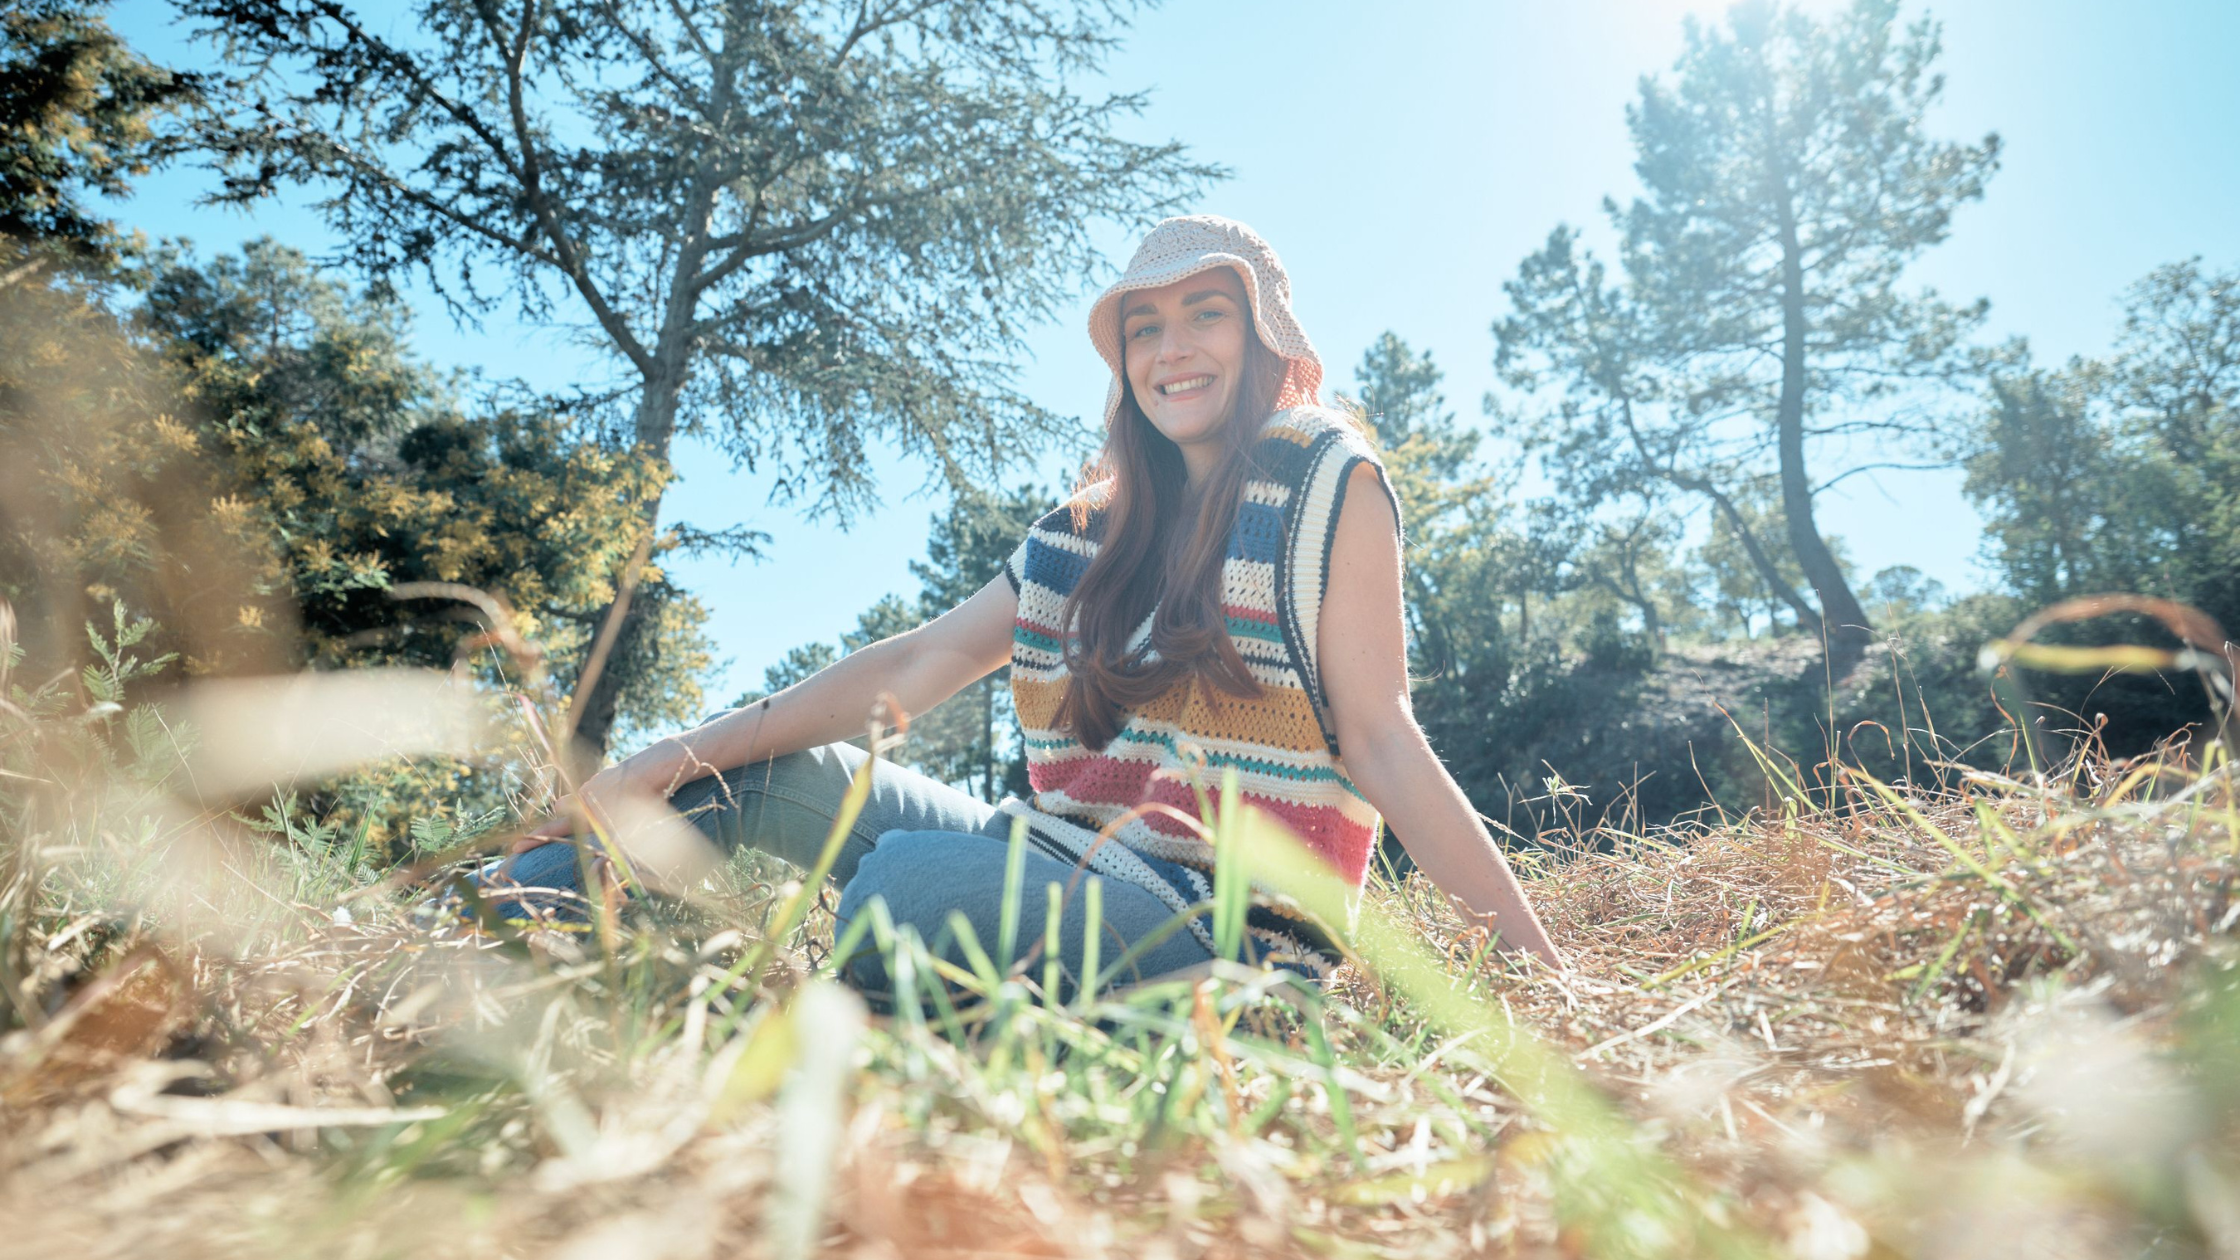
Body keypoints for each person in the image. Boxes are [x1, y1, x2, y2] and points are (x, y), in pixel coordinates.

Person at [486, 216, 1564, 994]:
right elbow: (911, 669)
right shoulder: (1080, 534)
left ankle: (838, 1046)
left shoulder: (1327, 479)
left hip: (1226, 927)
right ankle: (494, 943)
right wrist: (661, 757)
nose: (1172, 346)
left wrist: (1541, 977)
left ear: (1265, 339)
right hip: (1059, 860)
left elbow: (1379, 738)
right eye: (1143, 328)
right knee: (754, 779)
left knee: (912, 888)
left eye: (1205, 314)